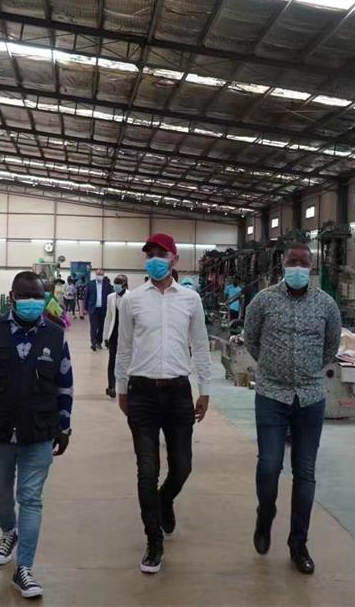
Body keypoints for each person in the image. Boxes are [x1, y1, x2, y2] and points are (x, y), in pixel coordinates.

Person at [0, 271, 74, 599]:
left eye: (38, 296)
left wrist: (65, 426)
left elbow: (65, 384)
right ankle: (9, 530)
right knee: (0, 493)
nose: (33, 302)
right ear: (12, 297)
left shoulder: (55, 335)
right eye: (26, 296)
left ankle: (24, 569)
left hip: (39, 430)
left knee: (31, 499)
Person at [115, 234, 211, 574]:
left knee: (182, 466)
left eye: (161, 253)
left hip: (178, 392)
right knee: (147, 470)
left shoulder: (190, 300)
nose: (155, 259)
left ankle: (165, 499)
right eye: (150, 254)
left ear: (174, 259)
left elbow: (201, 345)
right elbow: (124, 347)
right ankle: (153, 541)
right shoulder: (132, 300)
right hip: (141, 392)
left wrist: (205, 389)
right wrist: (121, 388)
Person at [243, 243, 341, 575]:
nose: (297, 267)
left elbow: (331, 345)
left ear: (311, 266)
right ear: (283, 265)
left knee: (305, 473)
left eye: (303, 262)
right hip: (271, 395)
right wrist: (274, 367)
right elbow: (251, 339)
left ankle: (298, 544)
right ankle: (265, 514)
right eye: (292, 261)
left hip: (310, 398)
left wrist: (307, 370)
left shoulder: (326, 304)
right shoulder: (264, 300)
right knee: (269, 465)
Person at [103, 274, 128, 398]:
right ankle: (111, 386)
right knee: (112, 360)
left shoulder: (131, 297)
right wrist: (105, 336)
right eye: (115, 283)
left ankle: (125, 386)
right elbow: (108, 317)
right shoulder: (110, 297)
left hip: (126, 334)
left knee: (125, 360)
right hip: (113, 333)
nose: (116, 285)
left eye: (119, 283)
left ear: (125, 284)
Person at [86, 269, 112, 351]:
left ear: (103, 275)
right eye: (98, 274)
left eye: (101, 274)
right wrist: (86, 309)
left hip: (103, 309)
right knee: (93, 327)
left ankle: (99, 343)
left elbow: (110, 296)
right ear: (95, 274)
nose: (99, 276)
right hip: (93, 309)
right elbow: (86, 296)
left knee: (101, 327)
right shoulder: (90, 284)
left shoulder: (107, 285)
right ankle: (93, 343)